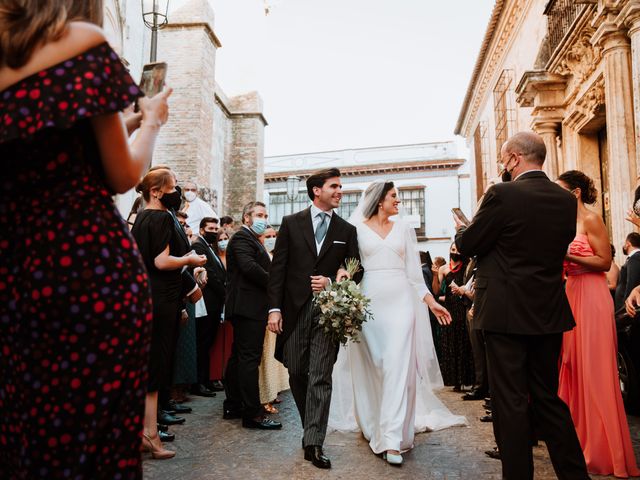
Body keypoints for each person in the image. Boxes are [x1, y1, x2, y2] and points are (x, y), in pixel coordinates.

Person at [0, 3, 172, 477]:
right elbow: (121, 174)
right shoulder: (79, 41)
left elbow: (52, 141)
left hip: (15, 282)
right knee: (96, 437)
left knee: (29, 434)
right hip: (89, 274)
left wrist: (129, 123)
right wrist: (152, 118)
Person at [454, 132, 588, 479]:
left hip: (505, 314)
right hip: (548, 310)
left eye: (504, 159)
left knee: (510, 402)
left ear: (514, 158)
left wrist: (463, 230)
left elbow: (470, 243)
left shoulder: (502, 194)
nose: (502, 165)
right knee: (547, 398)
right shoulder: (564, 200)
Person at [329, 181, 465, 466]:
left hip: (402, 303)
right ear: (380, 200)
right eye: (394, 197)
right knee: (374, 364)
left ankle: (391, 439)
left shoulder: (403, 228)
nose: (399, 201)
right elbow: (347, 264)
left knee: (396, 365)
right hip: (367, 303)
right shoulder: (355, 228)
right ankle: (372, 422)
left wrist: (431, 302)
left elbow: (414, 275)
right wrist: (342, 276)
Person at [267, 168, 358, 469]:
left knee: (320, 374)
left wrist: (335, 281)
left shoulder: (346, 231)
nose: (339, 191)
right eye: (334, 186)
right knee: (296, 371)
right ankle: (312, 425)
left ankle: (314, 442)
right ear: (316, 190)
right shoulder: (291, 224)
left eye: (340, 186)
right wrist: (274, 309)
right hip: (293, 311)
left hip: (328, 312)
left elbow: (355, 271)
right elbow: (277, 270)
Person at [556, 170, 640, 478]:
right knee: (572, 366)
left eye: (560, 190)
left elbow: (604, 262)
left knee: (595, 370)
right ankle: (578, 442)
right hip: (570, 294)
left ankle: (605, 450)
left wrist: (569, 256)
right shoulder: (562, 223)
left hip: (592, 296)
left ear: (575, 193)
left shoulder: (591, 220)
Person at [132, 167, 207, 459]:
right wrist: (189, 258)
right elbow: (161, 261)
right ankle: (149, 434)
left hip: (150, 297)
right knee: (157, 367)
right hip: (161, 300)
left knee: (151, 365)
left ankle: (144, 431)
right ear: (156, 191)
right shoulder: (162, 217)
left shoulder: (143, 218)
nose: (178, 193)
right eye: (174, 187)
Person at [223, 202, 281, 430]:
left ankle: (233, 404)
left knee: (239, 357)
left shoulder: (252, 240)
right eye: (258, 215)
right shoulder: (240, 239)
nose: (263, 219)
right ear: (246, 218)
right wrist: (276, 284)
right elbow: (249, 268)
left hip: (249, 307)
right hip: (248, 307)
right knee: (249, 359)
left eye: (266, 215)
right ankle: (252, 414)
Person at [191, 217, 227, 395]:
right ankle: (199, 382)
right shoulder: (199, 246)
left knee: (208, 343)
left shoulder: (209, 247)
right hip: (208, 302)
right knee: (203, 343)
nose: (214, 231)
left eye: (216, 228)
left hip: (215, 304)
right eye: (211, 228)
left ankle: (206, 379)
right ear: (202, 230)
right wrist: (225, 293)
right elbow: (211, 275)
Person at [258, 226, 290, 414]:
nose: (270, 239)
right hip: (264, 311)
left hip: (278, 310)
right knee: (265, 357)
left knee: (273, 356)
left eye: (273, 236)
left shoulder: (277, 256)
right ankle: (264, 395)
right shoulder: (263, 256)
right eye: (267, 236)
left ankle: (273, 390)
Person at [437, 243, 474, 391]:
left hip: (462, 306)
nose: (455, 252)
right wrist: (435, 276)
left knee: (463, 343)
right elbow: (440, 290)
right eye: (453, 249)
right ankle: (454, 380)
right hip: (449, 308)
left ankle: (466, 379)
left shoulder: (466, 267)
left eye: (458, 250)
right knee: (450, 342)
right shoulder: (443, 269)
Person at [209, 230, 232, 389]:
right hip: (218, 301)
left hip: (230, 300)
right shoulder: (215, 256)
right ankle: (215, 374)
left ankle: (225, 373)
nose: (224, 242)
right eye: (221, 239)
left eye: (226, 239)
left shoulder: (231, 256)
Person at [615, 233, 640, 311]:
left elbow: (632, 282)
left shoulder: (635, 257)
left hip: (628, 306)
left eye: (625, 243)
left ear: (628, 244)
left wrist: (626, 306)